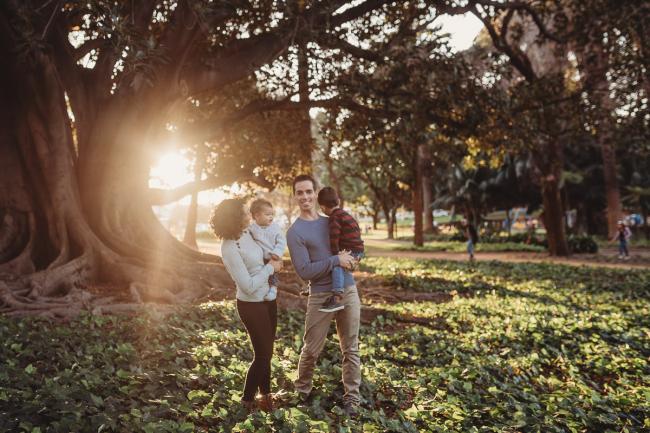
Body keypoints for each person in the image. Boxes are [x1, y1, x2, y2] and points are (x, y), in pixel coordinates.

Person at [286, 174, 361, 417]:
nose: (305, 197)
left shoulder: (332, 220)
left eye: (309, 191)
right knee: (311, 349)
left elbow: (349, 248)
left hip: (347, 290)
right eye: (300, 193)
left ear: (315, 194)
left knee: (350, 348)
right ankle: (302, 391)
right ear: (295, 196)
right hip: (319, 295)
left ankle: (352, 398)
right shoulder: (295, 231)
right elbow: (304, 270)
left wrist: (351, 261)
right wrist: (335, 260)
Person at [210, 198, 283, 413]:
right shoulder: (229, 247)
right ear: (234, 218)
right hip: (251, 305)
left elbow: (268, 244)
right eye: (244, 213)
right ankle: (247, 401)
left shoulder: (249, 232)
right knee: (262, 356)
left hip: (268, 300)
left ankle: (266, 396)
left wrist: (274, 257)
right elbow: (248, 285)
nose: (249, 215)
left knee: (267, 352)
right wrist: (271, 268)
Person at [317, 187, 364, 313]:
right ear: (337, 200)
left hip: (352, 251)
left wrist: (336, 255)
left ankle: (336, 297)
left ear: (322, 207)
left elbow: (334, 237)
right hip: (358, 249)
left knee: (337, 265)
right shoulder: (345, 214)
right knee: (339, 266)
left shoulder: (334, 217)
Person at [247, 198, 286, 301]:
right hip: (258, 259)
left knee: (273, 275)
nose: (271, 217)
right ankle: (261, 289)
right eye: (267, 214)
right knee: (261, 275)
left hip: (272, 257)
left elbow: (281, 241)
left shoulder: (275, 228)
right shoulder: (252, 228)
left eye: (272, 214)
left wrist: (277, 253)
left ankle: (273, 290)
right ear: (257, 216)